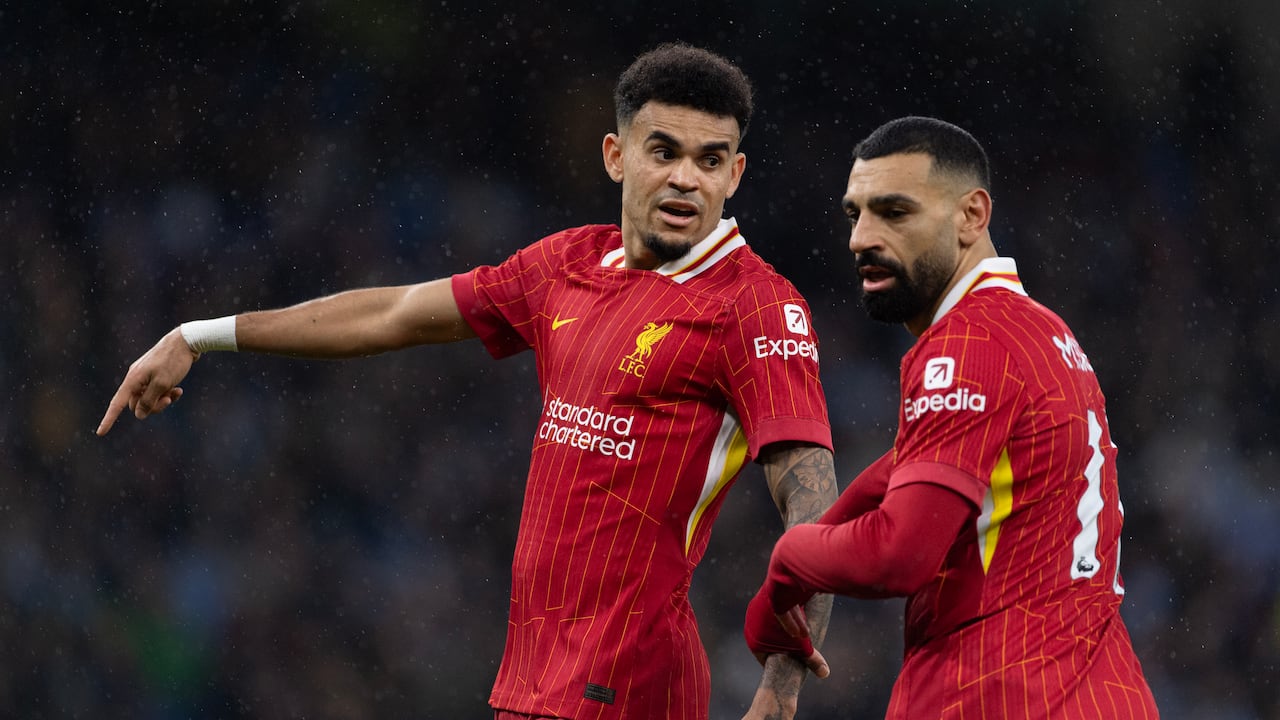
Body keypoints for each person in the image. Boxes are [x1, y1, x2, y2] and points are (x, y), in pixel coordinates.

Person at [98, 43, 837, 720]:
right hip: (530, 681)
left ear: (734, 174)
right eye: (664, 151)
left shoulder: (755, 307)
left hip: (635, 686)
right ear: (616, 156)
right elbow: (392, 314)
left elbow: (812, 502)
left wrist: (780, 690)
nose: (685, 178)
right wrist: (200, 335)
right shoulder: (568, 265)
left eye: (710, 160)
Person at [744, 116, 1160, 718]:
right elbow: (905, 470)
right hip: (1100, 690)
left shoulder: (967, 343)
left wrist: (789, 561)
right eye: (855, 214)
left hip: (997, 691)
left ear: (971, 215)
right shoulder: (1042, 331)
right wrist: (797, 577)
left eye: (895, 212)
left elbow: (899, 555)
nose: (861, 238)